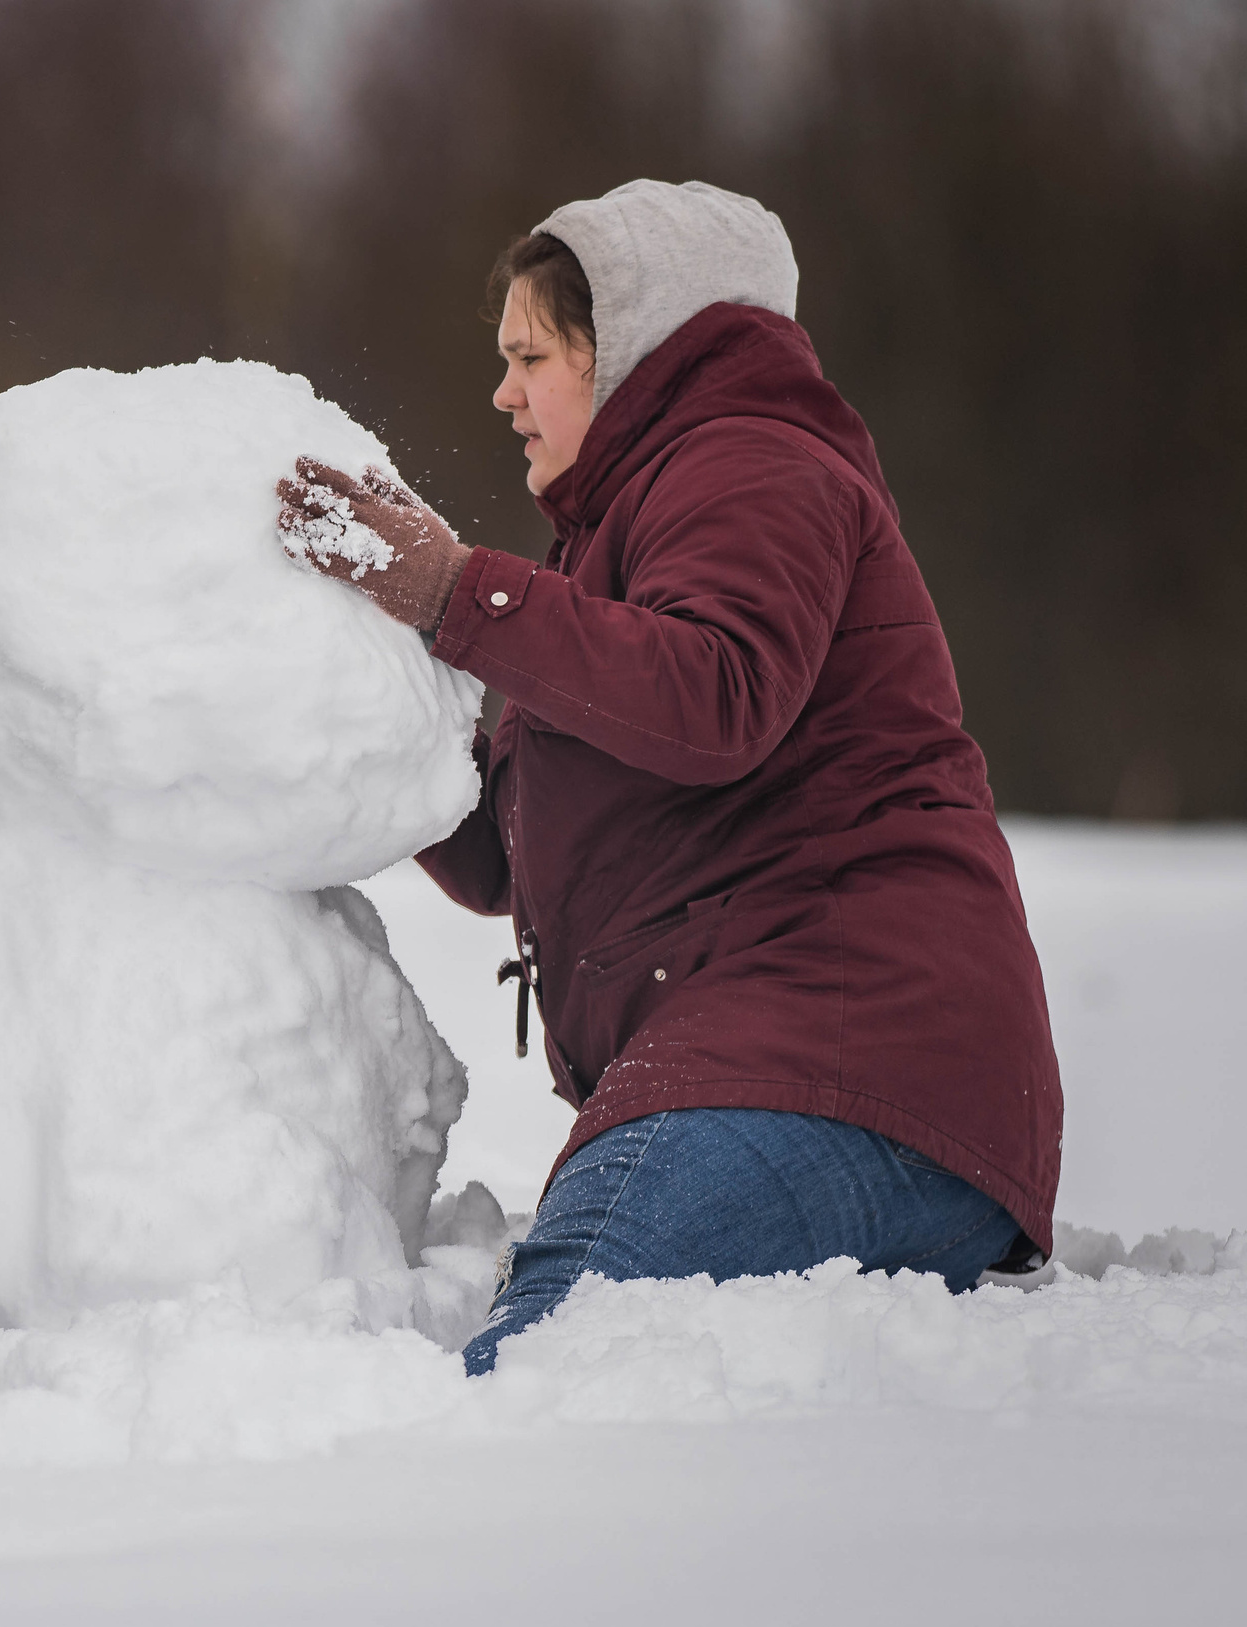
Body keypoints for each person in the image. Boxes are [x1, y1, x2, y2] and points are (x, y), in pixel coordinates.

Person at [278, 179, 1061, 1373]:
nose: (503, 393)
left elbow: (716, 695)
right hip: (789, 1070)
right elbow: (499, 848)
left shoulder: (753, 462)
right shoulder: (627, 521)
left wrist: (457, 594)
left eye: (531, 355)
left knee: (556, 1351)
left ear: (634, 345)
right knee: (561, 1343)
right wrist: (359, 688)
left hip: (854, 1067)